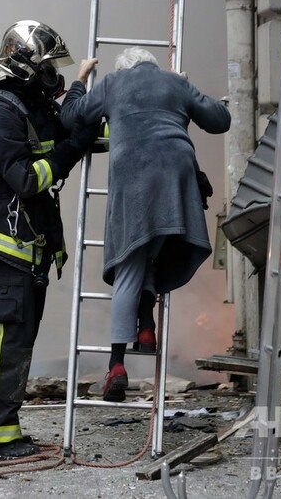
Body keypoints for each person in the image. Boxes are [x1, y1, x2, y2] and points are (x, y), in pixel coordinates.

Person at [60, 47, 231, 402]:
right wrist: (187, 85)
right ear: (153, 66)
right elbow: (220, 121)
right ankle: (148, 327)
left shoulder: (112, 83)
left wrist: (78, 80)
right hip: (176, 180)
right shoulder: (174, 82)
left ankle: (116, 364)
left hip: (133, 178)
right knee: (153, 249)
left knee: (129, 264)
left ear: (124, 68)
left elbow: (71, 118)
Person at [0, 20, 97, 460]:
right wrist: (70, 150)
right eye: (47, 66)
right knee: (9, 341)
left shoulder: (28, 107)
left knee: (3, 339)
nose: (52, 76)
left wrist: (83, 96)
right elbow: (26, 178)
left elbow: (69, 133)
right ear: (24, 65)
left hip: (29, 245)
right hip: (11, 244)